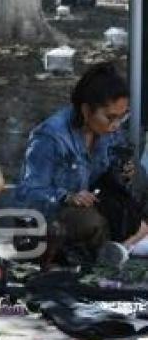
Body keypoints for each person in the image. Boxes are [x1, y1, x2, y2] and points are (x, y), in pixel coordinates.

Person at [16, 62, 148, 265]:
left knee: (138, 177)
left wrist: (125, 170)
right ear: (86, 111)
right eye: (111, 117)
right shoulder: (51, 137)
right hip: (48, 218)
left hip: (92, 200)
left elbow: (114, 165)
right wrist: (67, 197)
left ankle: (123, 244)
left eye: (122, 117)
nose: (116, 125)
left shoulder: (107, 131)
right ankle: (104, 260)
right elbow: (28, 193)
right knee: (91, 222)